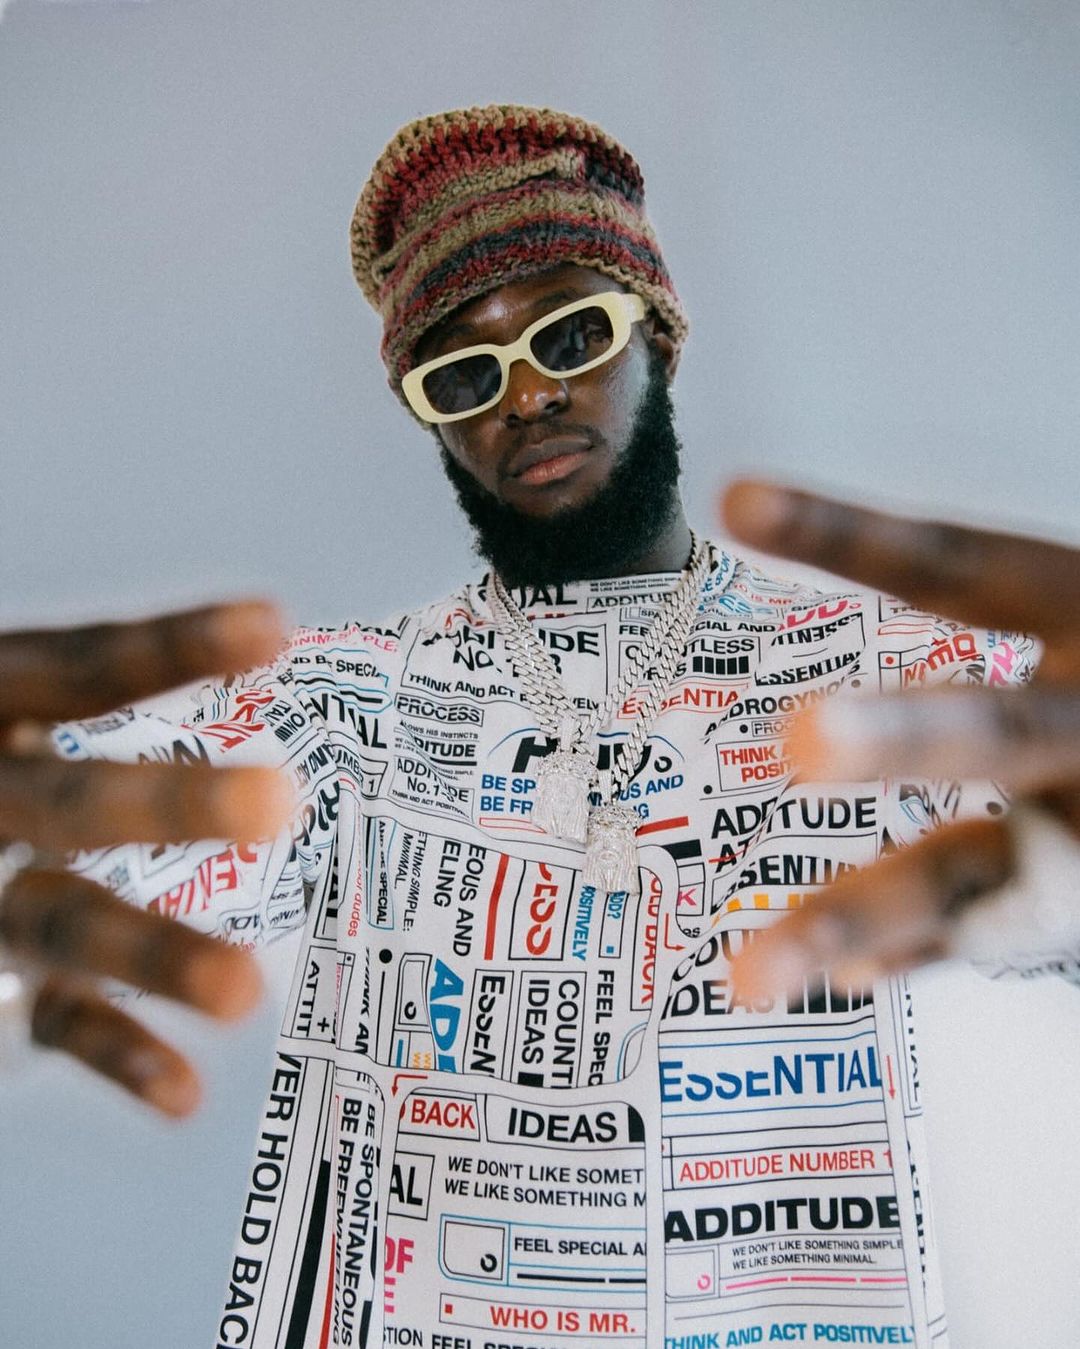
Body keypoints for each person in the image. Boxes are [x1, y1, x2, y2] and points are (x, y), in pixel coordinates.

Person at [1, 104, 1078, 1348]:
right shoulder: (342, 706)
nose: (526, 393)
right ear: (435, 419)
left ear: (656, 336)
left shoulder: (889, 684)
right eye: (463, 375)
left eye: (570, 334)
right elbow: (102, 828)